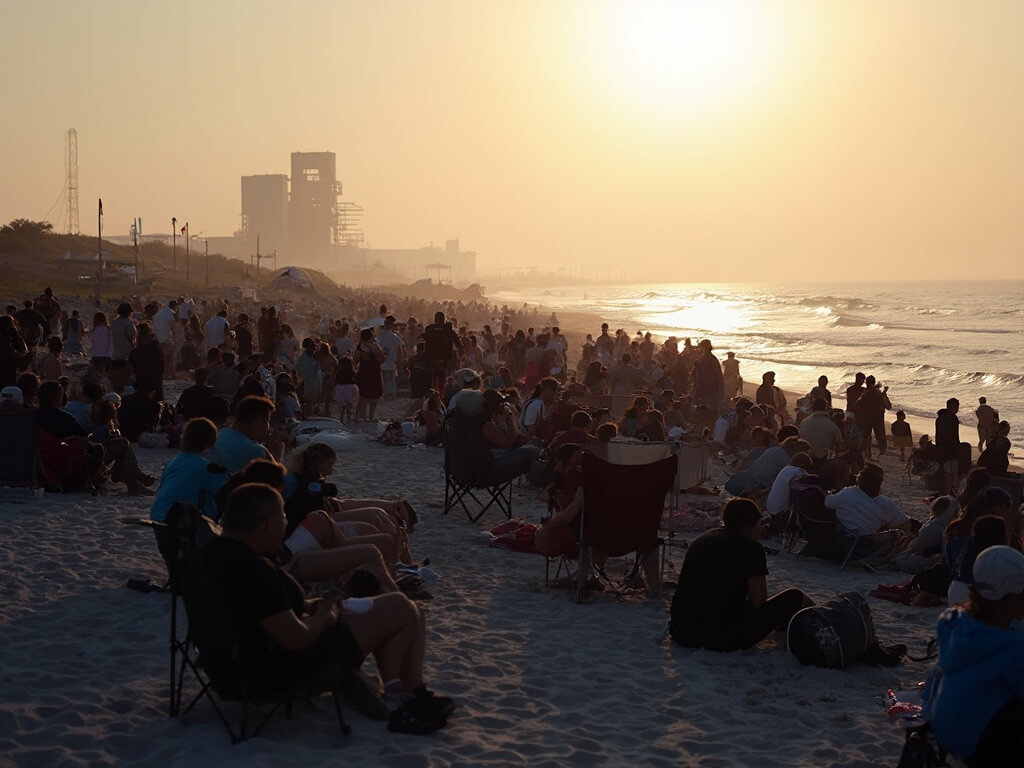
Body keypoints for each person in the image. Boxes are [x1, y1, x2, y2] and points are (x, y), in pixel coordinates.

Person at [201, 483, 454, 732]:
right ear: (267, 522)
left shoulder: (216, 555)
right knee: (400, 606)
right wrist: (326, 615)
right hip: (276, 672)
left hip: (237, 665)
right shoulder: (254, 570)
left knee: (410, 609)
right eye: (283, 516)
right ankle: (407, 692)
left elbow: (262, 615)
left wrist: (313, 606)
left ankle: (405, 690)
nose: (286, 523)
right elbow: (295, 638)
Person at [922, 546, 1024, 767]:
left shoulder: (952, 622)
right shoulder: (1011, 647)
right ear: (1012, 600)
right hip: (971, 747)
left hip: (941, 732)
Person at [670, 498, 813, 651]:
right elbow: (758, 602)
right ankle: (823, 618)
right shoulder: (751, 548)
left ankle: (788, 626)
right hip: (718, 636)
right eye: (759, 525)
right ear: (748, 528)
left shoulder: (701, 540)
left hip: (682, 631)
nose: (761, 530)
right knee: (794, 597)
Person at [944, 486, 1016, 606]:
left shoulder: (956, 527)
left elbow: (949, 561)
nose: (1008, 511)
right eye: (1007, 506)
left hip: (955, 588)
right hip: (975, 592)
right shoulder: (988, 528)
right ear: (998, 506)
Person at [150, 417, 229, 521]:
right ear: (212, 442)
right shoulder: (207, 468)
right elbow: (226, 491)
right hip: (180, 522)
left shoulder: (173, 463)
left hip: (158, 515)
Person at [825, 464, 911, 556]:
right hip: (864, 549)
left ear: (859, 480)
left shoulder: (848, 493)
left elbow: (828, 503)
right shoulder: (884, 503)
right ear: (879, 485)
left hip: (840, 545)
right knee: (898, 529)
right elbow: (902, 523)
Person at [209, 396, 278, 473]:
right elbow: (278, 479)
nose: (269, 428)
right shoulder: (257, 452)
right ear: (259, 421)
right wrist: (277, 454)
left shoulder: (213, 438)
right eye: (268, 421)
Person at [480, 389, 541, 476]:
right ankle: (535, 477)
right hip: (492, 459)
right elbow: (512, 443)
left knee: (533, 446)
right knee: (534, 450)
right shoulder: (488, 425)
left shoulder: (486, 421)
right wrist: (509, 419)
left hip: (492, 455)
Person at [764, 452, 813, 517]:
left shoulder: (786, 469)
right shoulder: (798, 471)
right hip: (780, 510)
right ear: (803, 465)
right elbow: (808, 484)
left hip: (770, 507)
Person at [354, 327, 385, 422]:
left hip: (363, 372)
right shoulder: (375, 346)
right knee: (374, 397)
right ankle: (370, 417)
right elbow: (382, 360)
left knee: (362, 396)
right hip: (374, 372)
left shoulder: (359, 347)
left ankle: (357, 416)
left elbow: (356, 360)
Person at [128, 323, 164, 402]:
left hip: (141, 385)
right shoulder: (157, 350)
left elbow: (131, 371)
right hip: (156, 384)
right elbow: (162, 369)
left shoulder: (134, 353)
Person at [936, 398, 961, 495]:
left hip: (941, 446)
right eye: (957, 406)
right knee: (950, 472)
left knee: (944, 471)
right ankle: (947, 492)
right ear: (952, 406)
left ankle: (944, 491)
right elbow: (954, 435)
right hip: (950, 448)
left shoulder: (940, 417)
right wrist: (957, 448)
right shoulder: (952, 418)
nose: (957, 409)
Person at [692, 339, 724, 414]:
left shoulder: (709, 359)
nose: (700, 348)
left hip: (708, 389)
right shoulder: (707, 358)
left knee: (708, 410)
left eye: (701, 346)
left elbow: (715, 376)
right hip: (706, 389)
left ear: (705, 347)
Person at [378, 317, 405, 399]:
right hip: (392, 362)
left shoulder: (380, 337)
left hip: (382, 362)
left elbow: (376, 349)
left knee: (385, 379)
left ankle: (386, 393)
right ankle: (390, 394)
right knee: (391, 379)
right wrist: (400, 362)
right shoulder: (396, 338)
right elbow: (400, 351)